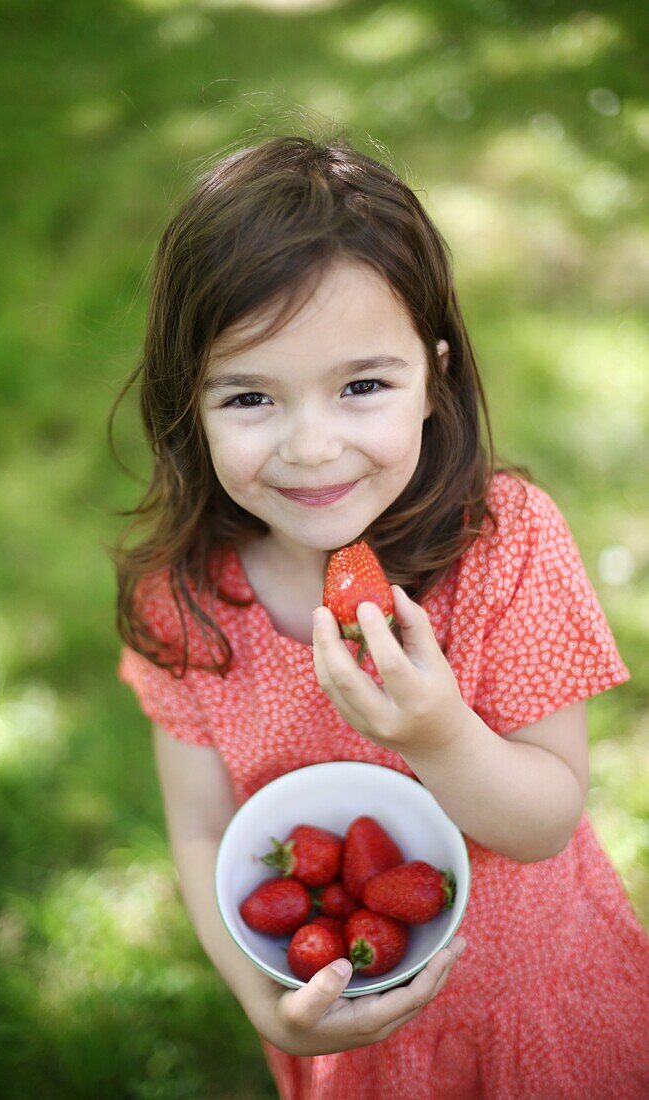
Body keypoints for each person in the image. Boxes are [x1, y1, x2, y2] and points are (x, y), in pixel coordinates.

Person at [110, 133, 649, 1098]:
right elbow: (200, 829)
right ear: (187, 404)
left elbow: (545, 819)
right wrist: (259, 997)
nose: (311, 447)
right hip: (351, 1047)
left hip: (537, 1012)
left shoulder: (506, 544)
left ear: (432, 376)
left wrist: (439, 734)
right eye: (249, 396)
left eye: (362, 386)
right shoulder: (185, 604)